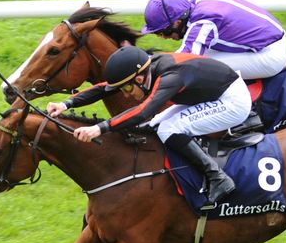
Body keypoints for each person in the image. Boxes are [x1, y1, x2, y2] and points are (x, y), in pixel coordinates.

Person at [47, 46, 251, 205]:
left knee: (168, 129)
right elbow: (104, 89)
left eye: (127, 89)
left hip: (232, 102)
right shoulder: (146, 69)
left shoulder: (170, 77)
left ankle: (217, 177)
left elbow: (142, 111)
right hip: (209, 95)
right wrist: (65, 104)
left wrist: (100, 128)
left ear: (139, 79)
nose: (126, 95)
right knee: (153, 126)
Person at [141, 0, 286, 80]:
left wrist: (144, 65)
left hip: (269, 55)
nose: (164, 38)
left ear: (177, 22)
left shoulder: (204, 22)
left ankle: (243, 112)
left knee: (202, 69)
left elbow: (183, 61)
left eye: (163, 32)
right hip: (271, 37)